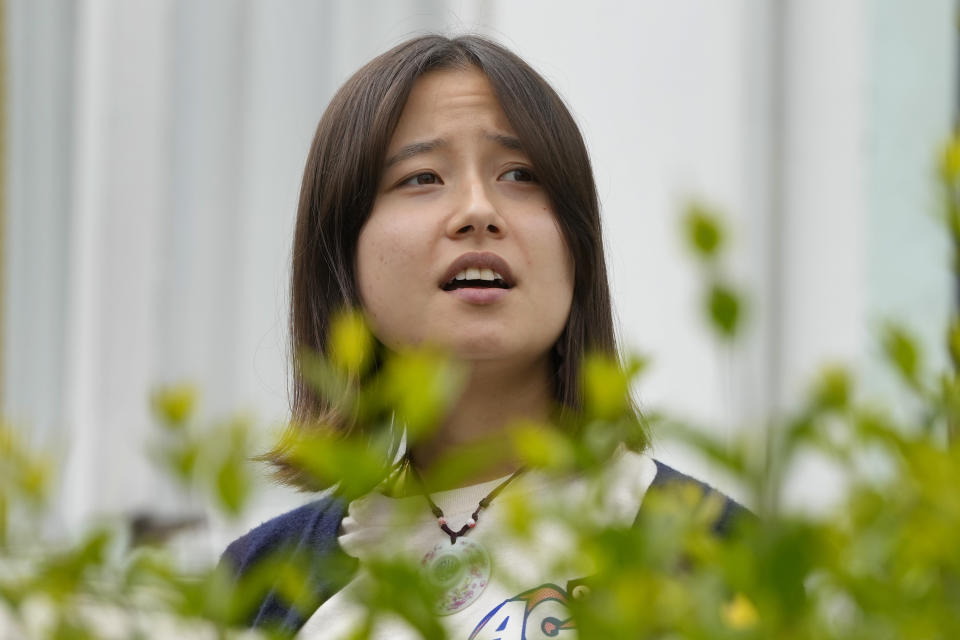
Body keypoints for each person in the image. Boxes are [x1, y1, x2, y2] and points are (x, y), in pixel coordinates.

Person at [220, 34, 746, 638]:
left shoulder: (719, 554)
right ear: (344, 255)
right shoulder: (259, 582)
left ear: (578, 245)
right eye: (421, 178)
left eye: (520, 174)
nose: (477, 209)